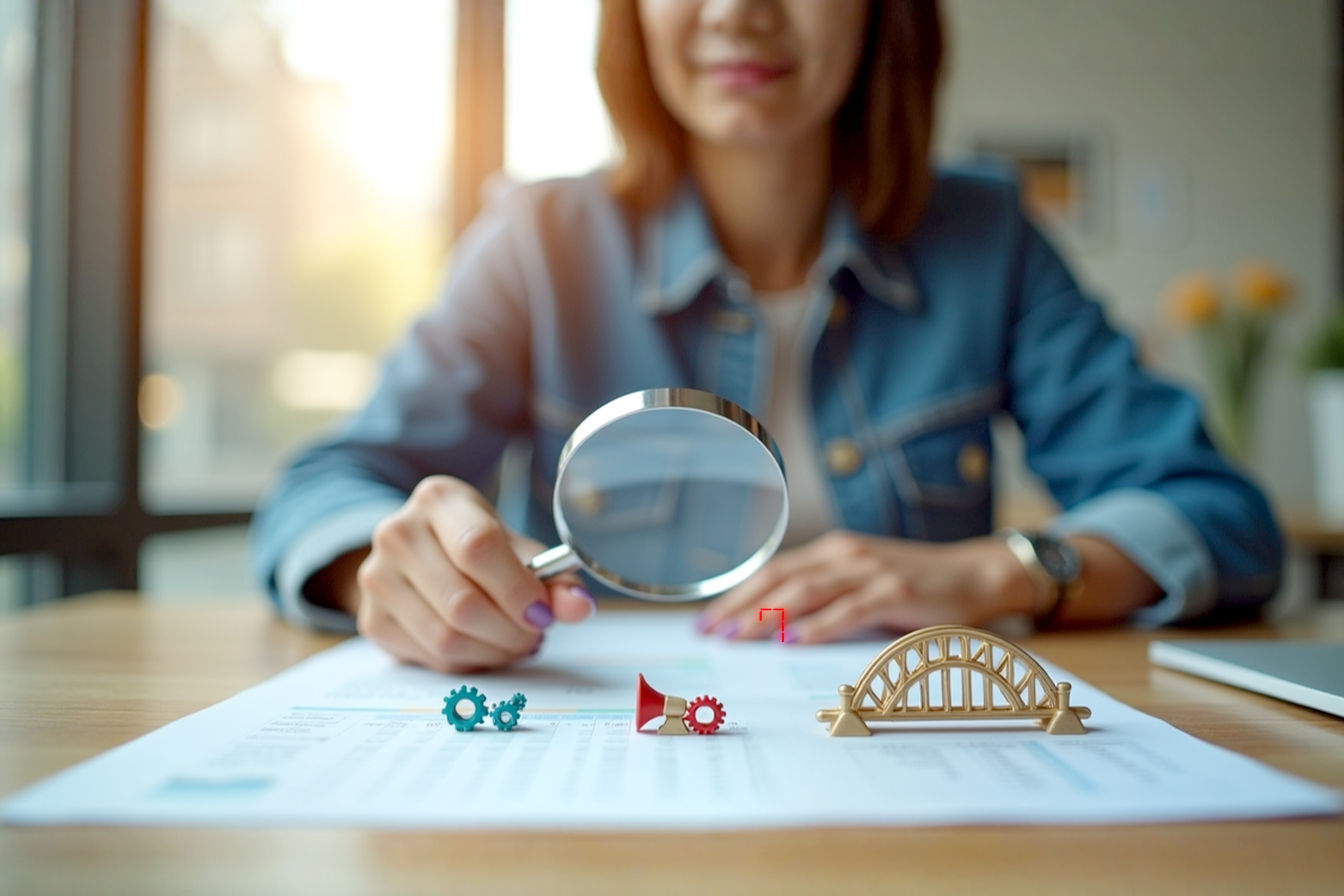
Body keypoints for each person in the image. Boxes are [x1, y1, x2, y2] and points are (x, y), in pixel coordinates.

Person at [251, 0, 1282, 673]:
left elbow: (1220, 518)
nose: (739, 14)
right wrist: (381, 571)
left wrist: (997, 571)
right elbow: (325, 490)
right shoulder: (537, 240)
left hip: (912, 771)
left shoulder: (989, 236)